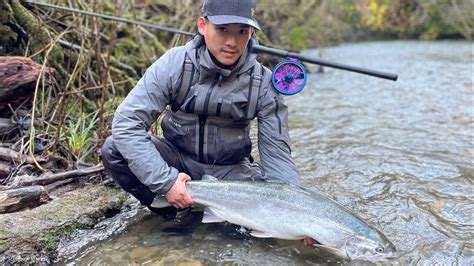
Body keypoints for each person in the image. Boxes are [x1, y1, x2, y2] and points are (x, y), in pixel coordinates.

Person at [101, 0, 316, 246]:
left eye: (241, 31)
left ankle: (208, 218)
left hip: (232, 173)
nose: (232, 42)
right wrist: (166, 181)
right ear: (202, 25)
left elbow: (277, 159)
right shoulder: (175, 64)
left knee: (249, 241)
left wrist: (303, 216)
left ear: (252, 33)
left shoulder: (264, 84)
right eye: (223, 29)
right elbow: (126, 123)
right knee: (113, 149)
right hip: (178, 161)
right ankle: (173, 213)